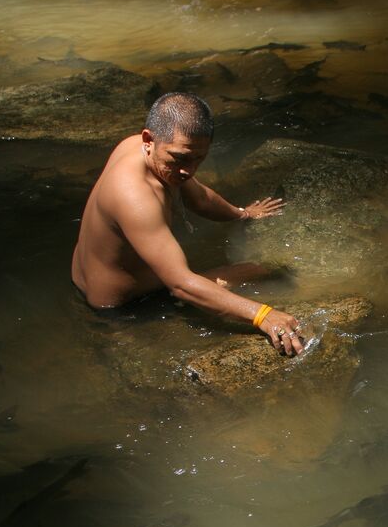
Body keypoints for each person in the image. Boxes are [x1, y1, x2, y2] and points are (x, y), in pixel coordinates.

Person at [71, 92, 308, 356]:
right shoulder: (134, 196)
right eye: (180, 158)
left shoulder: (142, 150)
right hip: (121, 307)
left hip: (99, 279)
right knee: (261, 270)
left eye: (199, 159)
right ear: (149, 139)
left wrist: (242, 214)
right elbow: (181, 285)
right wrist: (263, 315)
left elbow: (200, 198)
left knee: (259, 270)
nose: (189, 170)